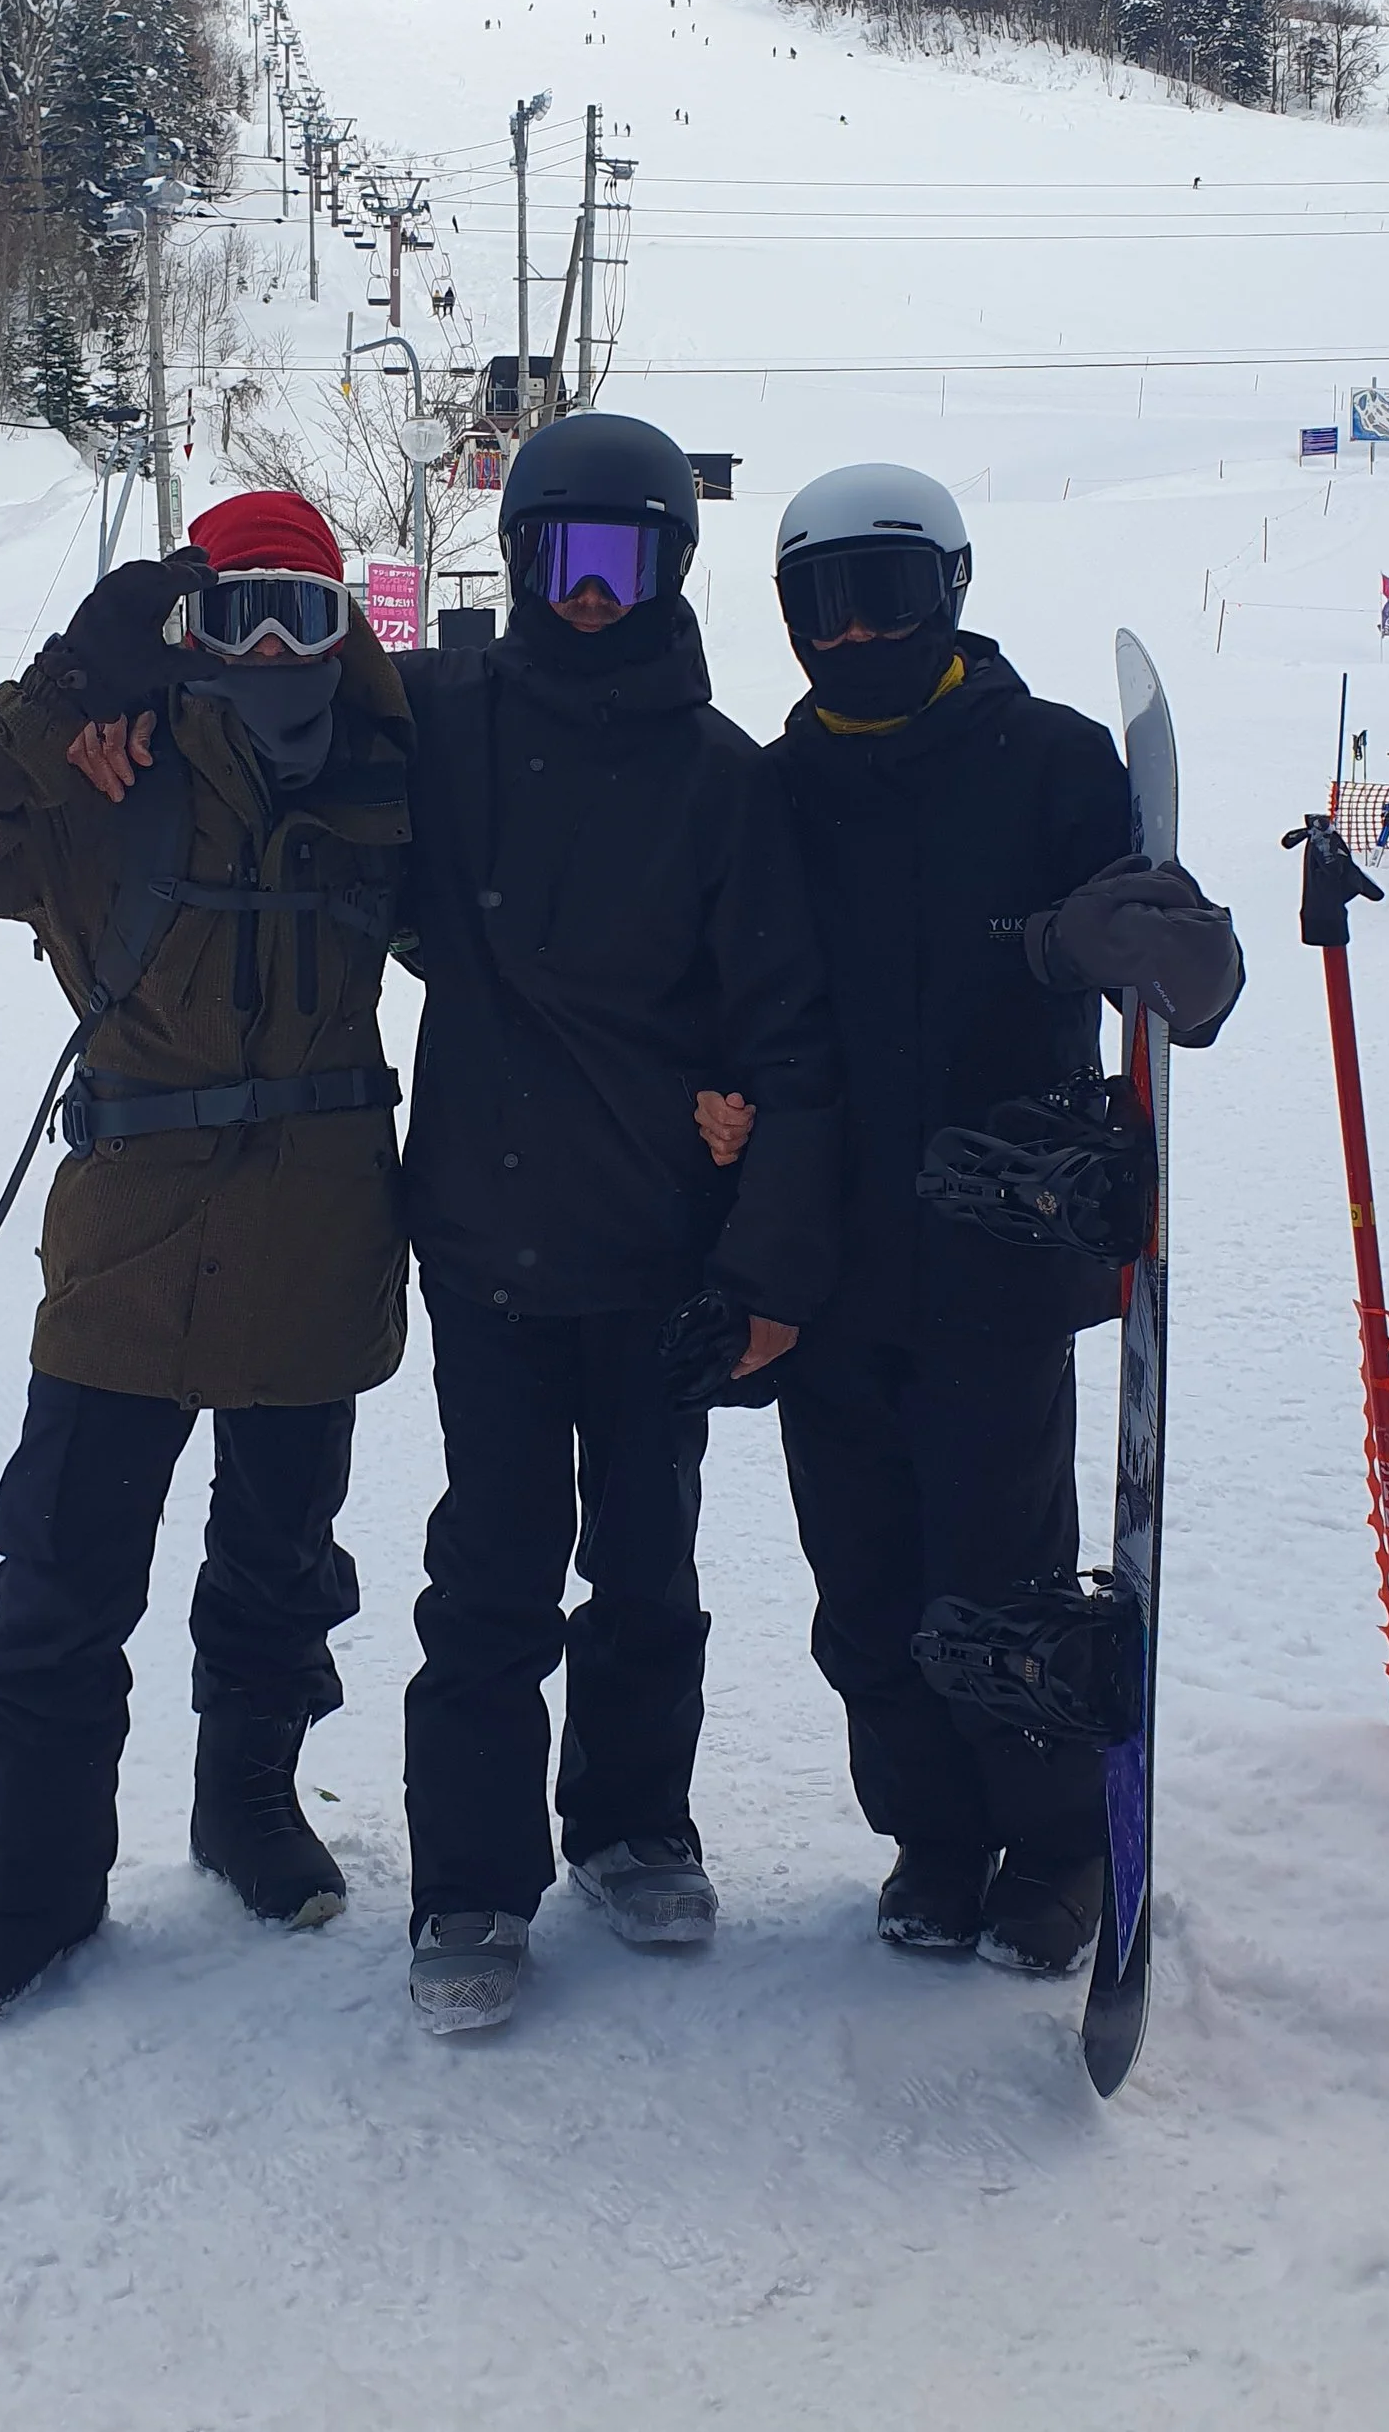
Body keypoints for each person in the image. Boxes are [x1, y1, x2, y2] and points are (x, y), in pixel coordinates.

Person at [0, 491, 414, 2021]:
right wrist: (52, 698)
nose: (269, 648)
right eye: (231, 611)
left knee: (280, 1566)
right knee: (59, 1580)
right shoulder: (105, 771)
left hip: (318, 1239)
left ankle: (248, 1803)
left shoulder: (388, 771)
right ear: (176, 624)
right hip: (131, 1252)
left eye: (303, 613)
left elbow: (550, 917)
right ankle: (31, 1884)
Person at [726, 466, 1241, 1977]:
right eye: (828, 603)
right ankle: (934, 1840)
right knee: (865, 1591)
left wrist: (1158, 948)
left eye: (890, 594)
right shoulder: (777, 786)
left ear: (950, 592)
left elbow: (1191, 985)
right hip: (823, 1263)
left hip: (994, 1257)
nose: (861, 629)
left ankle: (1057, 1844)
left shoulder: (1049, 761)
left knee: (998, 1582)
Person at [394, 412, 842, 2034]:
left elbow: (789, 1031)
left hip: (656, 1248)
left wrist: (765, 1247)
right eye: (564, 557)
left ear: (670, 569)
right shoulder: (445, 725)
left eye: (625, 559)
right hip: (489, 1243)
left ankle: (636, 1819)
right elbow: (268, 719)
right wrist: (112, 682)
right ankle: (471, 1877)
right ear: (519, 560)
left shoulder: (721, 778)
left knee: (647, 1562)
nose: (592, 592)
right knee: (493, 1569)